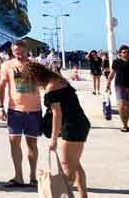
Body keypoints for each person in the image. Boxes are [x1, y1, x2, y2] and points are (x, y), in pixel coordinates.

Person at [22, 61, 90, 198]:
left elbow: (56, 114)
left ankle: (65, 195)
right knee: (75, 164)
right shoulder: (57, 79)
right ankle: (83, 196)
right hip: (80, 123)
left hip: (72, 127)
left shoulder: (51, 87)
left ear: (36, 77)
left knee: (67, 168)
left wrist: (53, 139)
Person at [0, 39, 41, 188]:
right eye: (16, 52)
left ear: (26, 50)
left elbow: (47, 84)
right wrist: (0, 107)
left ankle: (33, 177)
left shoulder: (35, 65)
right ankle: (18, 176)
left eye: (21, 52)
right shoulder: (7, 66)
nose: (19, 55)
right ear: (12, 52)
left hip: (34, 110)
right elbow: (1, 87)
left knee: (32, 144)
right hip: (15, 110)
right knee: (14, 142)